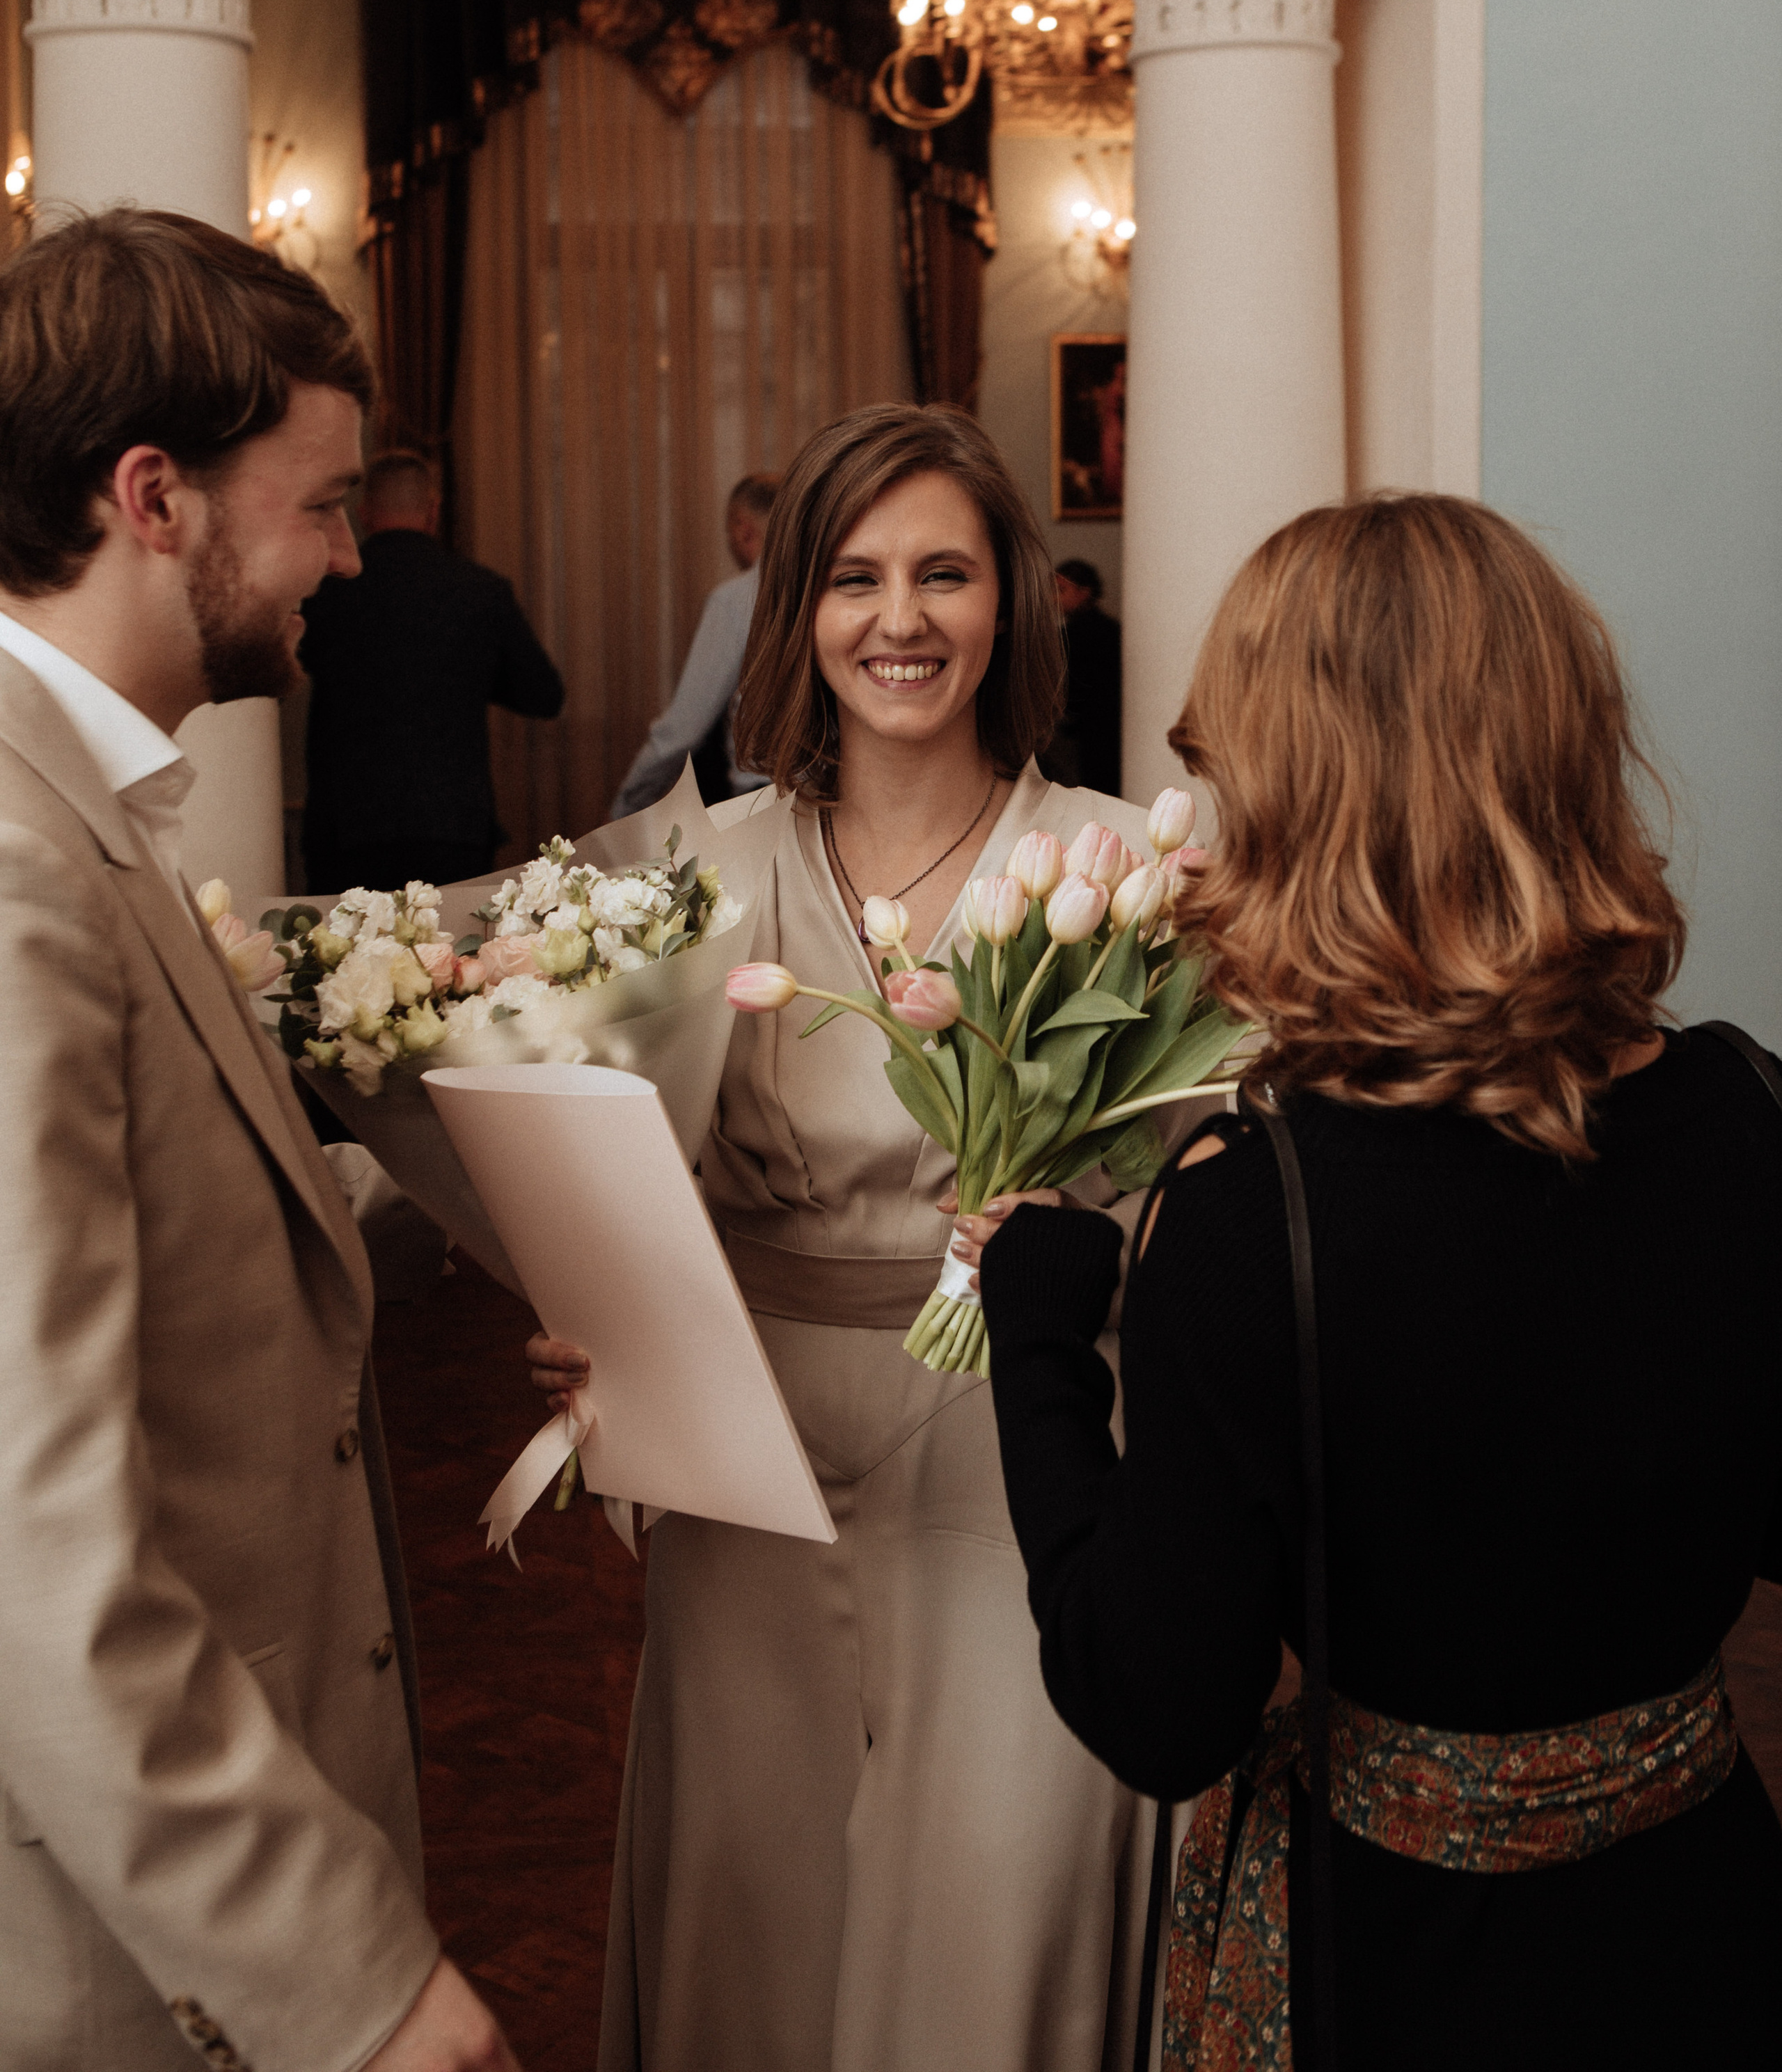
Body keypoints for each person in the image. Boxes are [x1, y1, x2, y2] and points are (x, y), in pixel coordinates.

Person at [973, 493, 1782, 2071]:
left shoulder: (1255, 1212)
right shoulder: (1743, 1112)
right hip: (1702, 1924)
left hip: (1414, 1967)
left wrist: (1040, 1336)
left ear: (1303, 798)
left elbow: (1157, 1704)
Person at [530, 405, 1160, 2072]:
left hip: (1021, 1451)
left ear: (1008, 600)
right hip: (754, 1463)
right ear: (792, 605)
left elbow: (1198, 1180)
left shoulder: (1117, 862)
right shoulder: (681, 869)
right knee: (758, 1911)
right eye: (856, 576)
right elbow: (598, 1163)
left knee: (1000, 1905)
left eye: (942, 572)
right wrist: (596, 1311)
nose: (901, 619)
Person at [0, 210, 518, 2072]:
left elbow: (186, 1276)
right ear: (155, 496)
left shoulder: (94, 816)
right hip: (124, 1947)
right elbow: (27, 1540)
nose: (350, 553)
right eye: (320, 502)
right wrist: (351, 1985)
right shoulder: (17, 865)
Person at [300, 447, 564, 892]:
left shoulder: (325, 594)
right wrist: (468, 670)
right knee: (452, 959)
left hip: (346, 829)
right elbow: (544, 695)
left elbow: (287, 670)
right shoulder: (481, 591)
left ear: (363, 514)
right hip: (452, 825)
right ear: (433, 510)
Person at [609, 470, 782, 816]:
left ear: (743, 529)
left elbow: (683, 731)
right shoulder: (832, 589)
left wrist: (627, 807)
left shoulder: (737, 601)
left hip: (763, 804)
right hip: (834, 801)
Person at [1038, 557, 1122, 796]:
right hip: (1106, 728)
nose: (1054, 598)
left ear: (1084, 592)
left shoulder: (1073, 636)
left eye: (1061, 590)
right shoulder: (1113, 629)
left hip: (1087, 731)